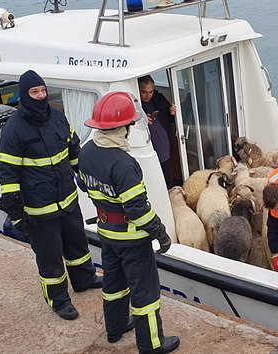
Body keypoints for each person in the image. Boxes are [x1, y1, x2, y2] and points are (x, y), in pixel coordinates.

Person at [78, 91, 179, 353]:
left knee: (113, 283)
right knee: (145, 291)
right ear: (121, 128)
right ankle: (152, 344)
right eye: (130, 125)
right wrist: (159, 231)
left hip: (106, 233)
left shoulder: (86, 152)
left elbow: (85, 186)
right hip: (132, 239)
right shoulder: (124, 163)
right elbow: (137, 209)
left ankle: (116, 327)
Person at [0, 70, 102, 321]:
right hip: (39, 210)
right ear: (24, 95)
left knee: (78, 245)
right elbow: (8, 174)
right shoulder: (13, 130)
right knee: (50, 258)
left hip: (67, 200)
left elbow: (74, 150)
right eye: (35, 92)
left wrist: (85, 178)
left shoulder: (57, 116)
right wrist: (16, 212)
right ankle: (58, 300)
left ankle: (84, 279)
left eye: (43, 90)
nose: (41, 95)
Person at [138, 75, 177, 189]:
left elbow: (170, 120)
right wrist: (142, 120)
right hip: (149, 151)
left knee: (168, 181)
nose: (148, 95)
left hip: (165, 148)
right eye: (144, 92)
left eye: (151, 92)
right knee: (154, 184)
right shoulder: (135, 106)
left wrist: (172, 112)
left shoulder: (159, 98)